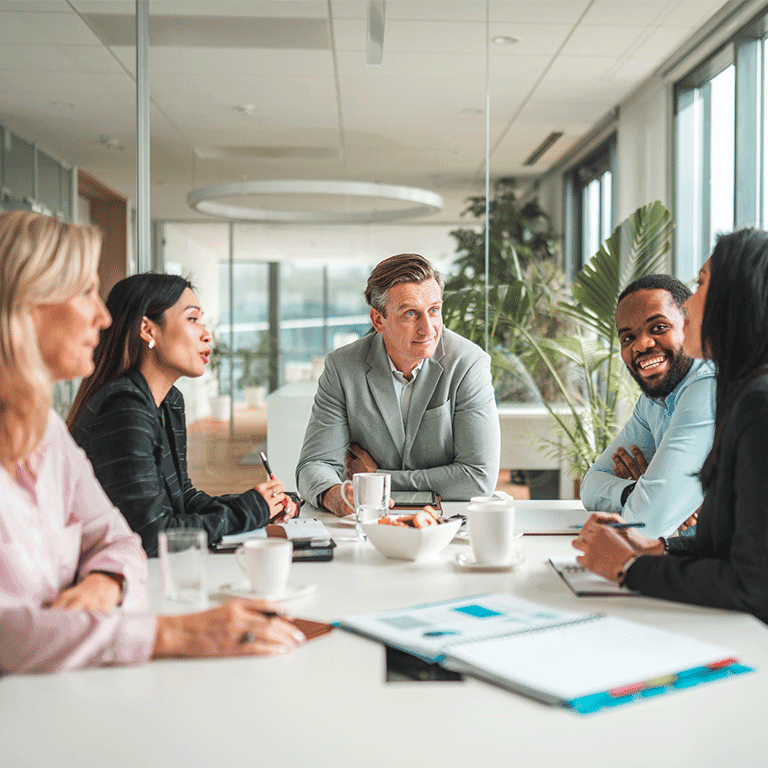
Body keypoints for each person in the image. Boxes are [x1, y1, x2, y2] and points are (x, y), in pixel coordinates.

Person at [0, 212, 304, 673]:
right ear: (24, 305)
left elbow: (122, 534)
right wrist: (173, 633)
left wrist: (104, 579)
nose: (101, 317)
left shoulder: (46, 431)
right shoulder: (122, 406)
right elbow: (150, 533)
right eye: (85, 292)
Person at [574, 229, 768, 624]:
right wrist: (660, 548)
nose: (690, 302)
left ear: (735, 297)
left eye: (700, 284)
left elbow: (755, 586)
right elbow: (730, 546)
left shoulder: (758, 404)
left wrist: (630, 567)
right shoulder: (743, 392)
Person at [68, 273, 298, 557]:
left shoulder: (167, 402)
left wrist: (263, 503)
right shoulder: (123, 406)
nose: (206, 333)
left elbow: (182, 499)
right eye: (192, 319)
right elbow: (151, 534)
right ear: (147, 329)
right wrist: (248, 511)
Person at [296, 253, 500, 516]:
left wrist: (377, 478)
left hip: (449, 521)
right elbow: (314, 464)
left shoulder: (469, 364)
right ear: (378, 320)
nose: (428, 329)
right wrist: (333, 495)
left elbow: (478, 477)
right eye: (411, 314)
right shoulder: (343, 367)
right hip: (367, 519)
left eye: (434, 310)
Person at [579, 275, 716, 538]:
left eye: (658, 328)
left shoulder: (707, 385)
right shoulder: (652, 402)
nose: (641, 345)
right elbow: (591, 484)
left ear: (690, 325)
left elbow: (646, 522)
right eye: (628, 338)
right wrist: (635, 491)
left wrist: (656, 500)